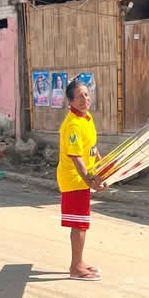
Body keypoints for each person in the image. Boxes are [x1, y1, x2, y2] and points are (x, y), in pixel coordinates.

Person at [57, 79, 103, 281]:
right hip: (74, 179)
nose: (85, 99)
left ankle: (79, 261)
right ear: (70, 102)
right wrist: (89, 180)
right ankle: (76, 267)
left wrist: (102, 166)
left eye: (86, 94)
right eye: (79, 97)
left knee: (81, 223)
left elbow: (92, 147)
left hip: (83, 178)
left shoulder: (87, 117)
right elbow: (76, 157)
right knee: (79, 224)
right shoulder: (72, 125)